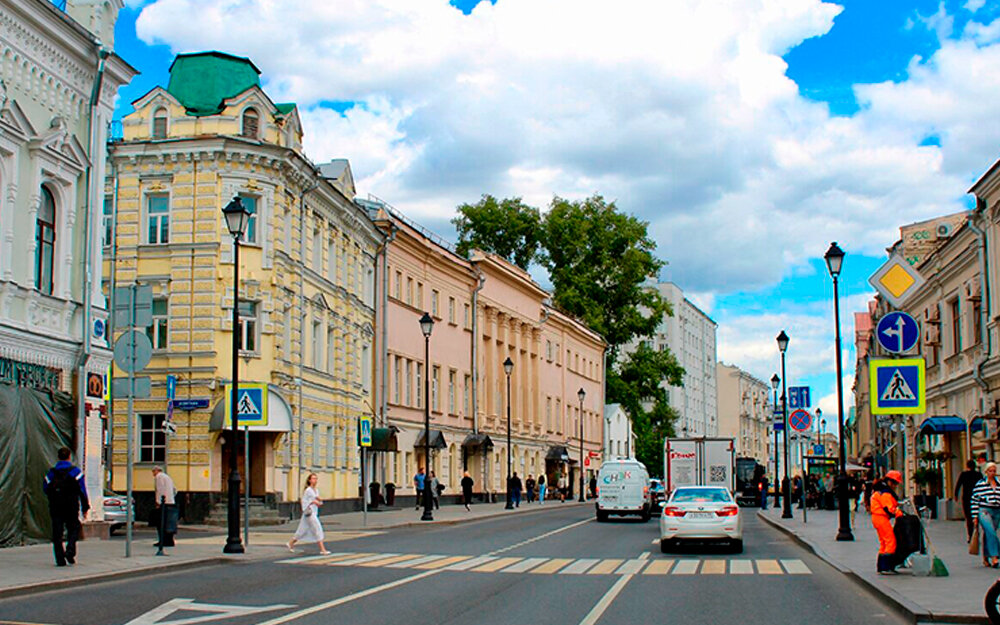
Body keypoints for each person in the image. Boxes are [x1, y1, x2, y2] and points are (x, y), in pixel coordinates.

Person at [43, 447, 90, 567]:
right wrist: (85, 507)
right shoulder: (76, 472)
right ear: (69, 457)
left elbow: (45, 488)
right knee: (74, 528)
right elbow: (82, 491)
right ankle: (70, 551)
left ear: (58, 457)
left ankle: (60, 559)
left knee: (57, 533)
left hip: (56, 506)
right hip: (71, 505)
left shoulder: (51, 473)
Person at [870, 470, 905, 574]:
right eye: (894, 483)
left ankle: (881, 566)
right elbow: (888, 508)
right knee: (890, 541)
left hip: (877, 517)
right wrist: (899, 513)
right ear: (889, 481)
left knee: (883, 542)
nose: (895, 486)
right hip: (881, 517)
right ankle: (887, 567)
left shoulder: (880, 490)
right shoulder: (885, 492)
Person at [287, 473, 329, 554]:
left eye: (316, 479)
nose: (315, 480)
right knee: (318, 529)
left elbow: (317, 498)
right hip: (310, 513)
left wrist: (320, 502)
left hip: (312, 513)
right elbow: (308, 501)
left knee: (302, 530)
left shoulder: (316, 490)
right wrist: (316, 502)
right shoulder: (308, 490)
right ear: (309, 480)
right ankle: (322, 550)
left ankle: (290, 543)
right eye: (313, 479)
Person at [972, 462, 1000, 568]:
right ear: (986, 472)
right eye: (990, 471)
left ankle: (985, 557)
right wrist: (974, 516)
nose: (992, 473)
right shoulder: (981, 484)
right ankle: (994, 557)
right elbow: (974, 500)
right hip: (984, 510)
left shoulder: (998, 484)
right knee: (991, 532)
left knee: (988, 533)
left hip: (997, 510)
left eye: (994, 471)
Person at [956, 459, 984, 542]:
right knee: (976, 516)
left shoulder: (964, 474)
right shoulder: (978, 475)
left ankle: (971, 535)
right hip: (977, 498)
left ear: (967, 466)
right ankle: (976, 532)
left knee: (968, 518)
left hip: (967, 498)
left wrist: (956, 495)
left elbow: (958, 485)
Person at [152, 466, 177, 547]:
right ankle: (170, 541)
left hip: (163, 503)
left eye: (153, 472)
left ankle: (162, 541)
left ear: (156, 471)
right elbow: (175, 490)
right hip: (171, 502)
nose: (153, 474)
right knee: (169, 523)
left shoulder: (159, 477)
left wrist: (158, 502)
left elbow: (160, 490)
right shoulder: (168, 477)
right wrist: (171, 498)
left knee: (161, 523)